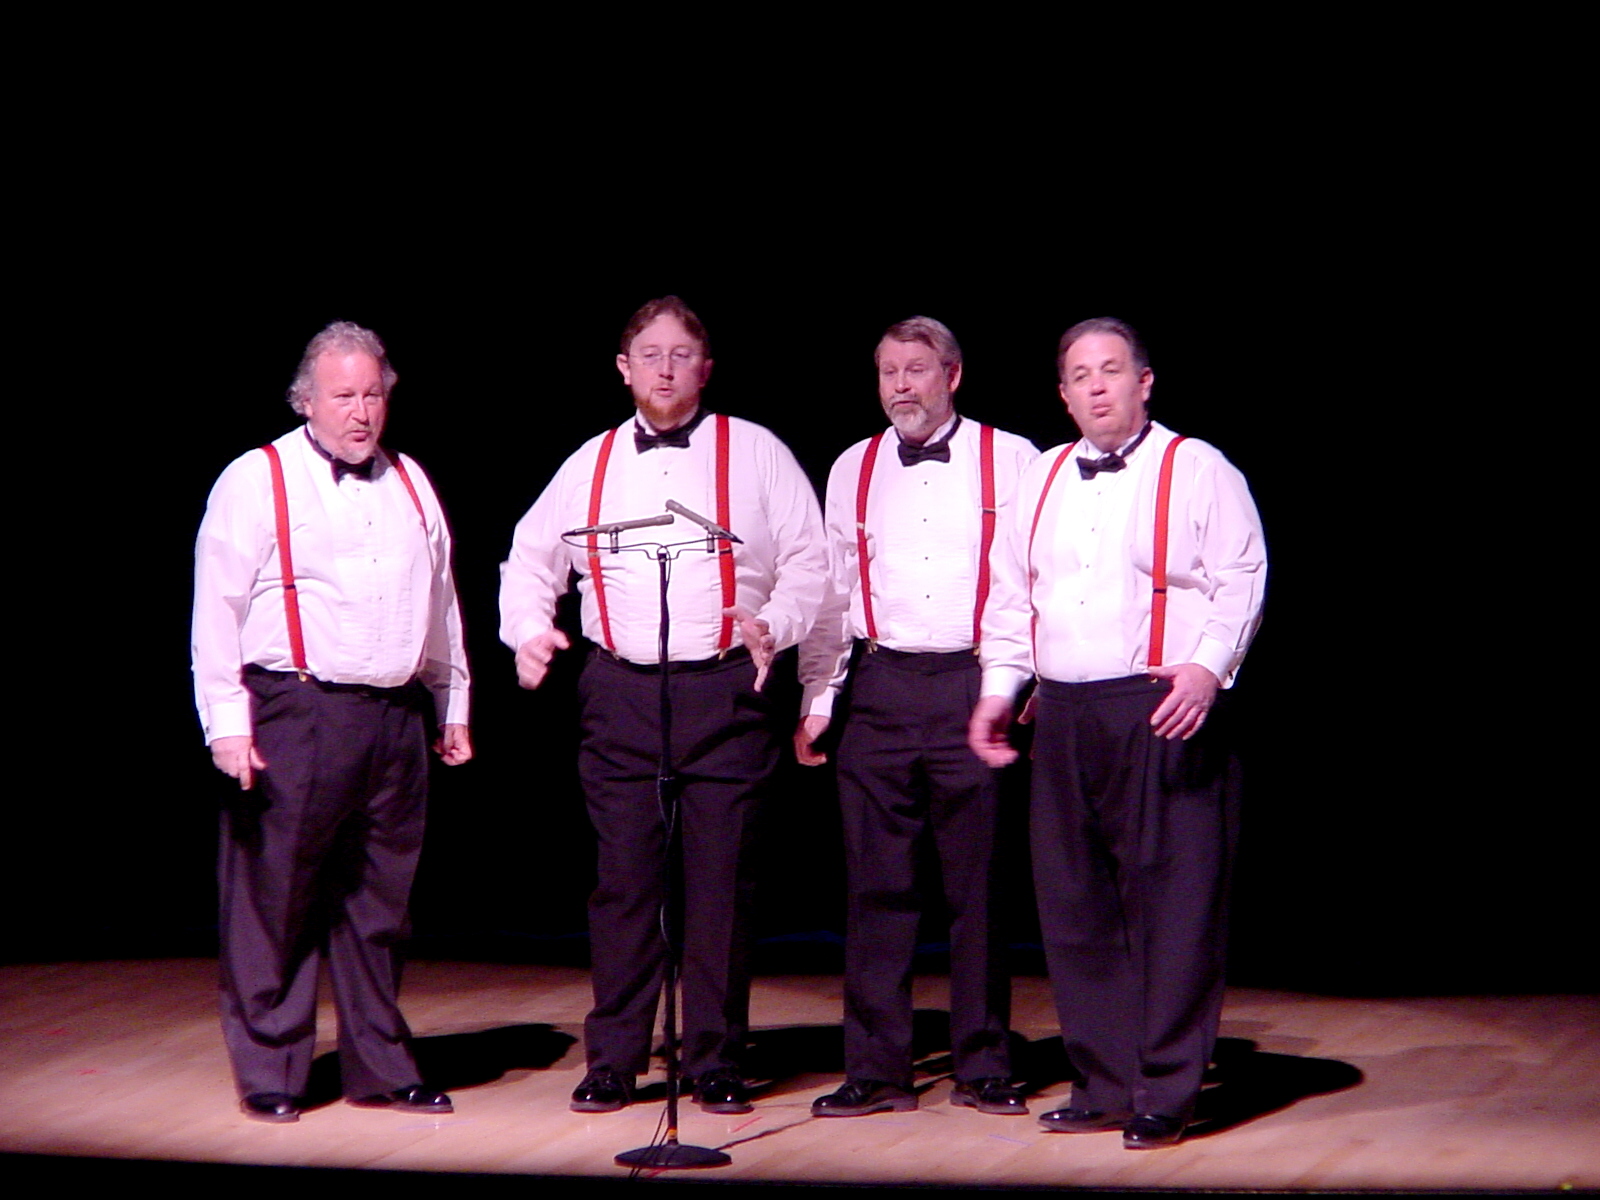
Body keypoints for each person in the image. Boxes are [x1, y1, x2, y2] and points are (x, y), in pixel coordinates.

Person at [500, 296, 827, 1115]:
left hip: (726, 688)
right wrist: (528, 630)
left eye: (682, 355)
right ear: (624, 368)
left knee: (721, 885)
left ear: (706, 369)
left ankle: (716, 1058)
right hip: (621, 693)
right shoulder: (590, 462)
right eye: (651, 354)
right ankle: (614, 1058)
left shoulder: (757, 453)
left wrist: (777, 623)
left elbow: (811, 561)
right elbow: (529, 559)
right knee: (625, 885)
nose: (666, 368)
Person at [968, 317, 1265, 1150]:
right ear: (1063, 395)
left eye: (1110, 370)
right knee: (1075, 903)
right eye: (1079, 375)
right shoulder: (1042, 475)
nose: (1096, 386)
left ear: (1144, 381)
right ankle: (1101, 1080)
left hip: (1160, 703)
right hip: (1063, 709)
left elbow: (1242, 574)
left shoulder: (1197, 467)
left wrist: (1207, 667)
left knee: (1174, 901)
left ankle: (1166, 1087)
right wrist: (999, 690)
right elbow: (1011, 592)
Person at [192, 321, 472, 1123]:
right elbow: (217, 606)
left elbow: (440, 599)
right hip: (296, 709)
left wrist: (452, 699)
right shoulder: (258, 478)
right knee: (275, 897)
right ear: (305, 401)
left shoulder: (411, 480)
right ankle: (272, 1068)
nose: (361, 412)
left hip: (393, 715)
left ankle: (380, 1065)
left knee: (381, 904)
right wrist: (227, 724)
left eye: (373, 395)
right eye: (344, 396)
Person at [796, 317, 1038, 1118]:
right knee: (876, 888)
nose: (901, 385)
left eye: (916, 369)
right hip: (880, 686)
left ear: (953, 375)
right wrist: (820, 697)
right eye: (888, 371)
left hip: (972, 681)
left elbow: (1027, 583)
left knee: (979, 888)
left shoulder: (1014, 459)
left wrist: (1016, 683)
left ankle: (984, 1063)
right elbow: (833, 591)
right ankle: (876, 1069)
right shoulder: (852, 466)